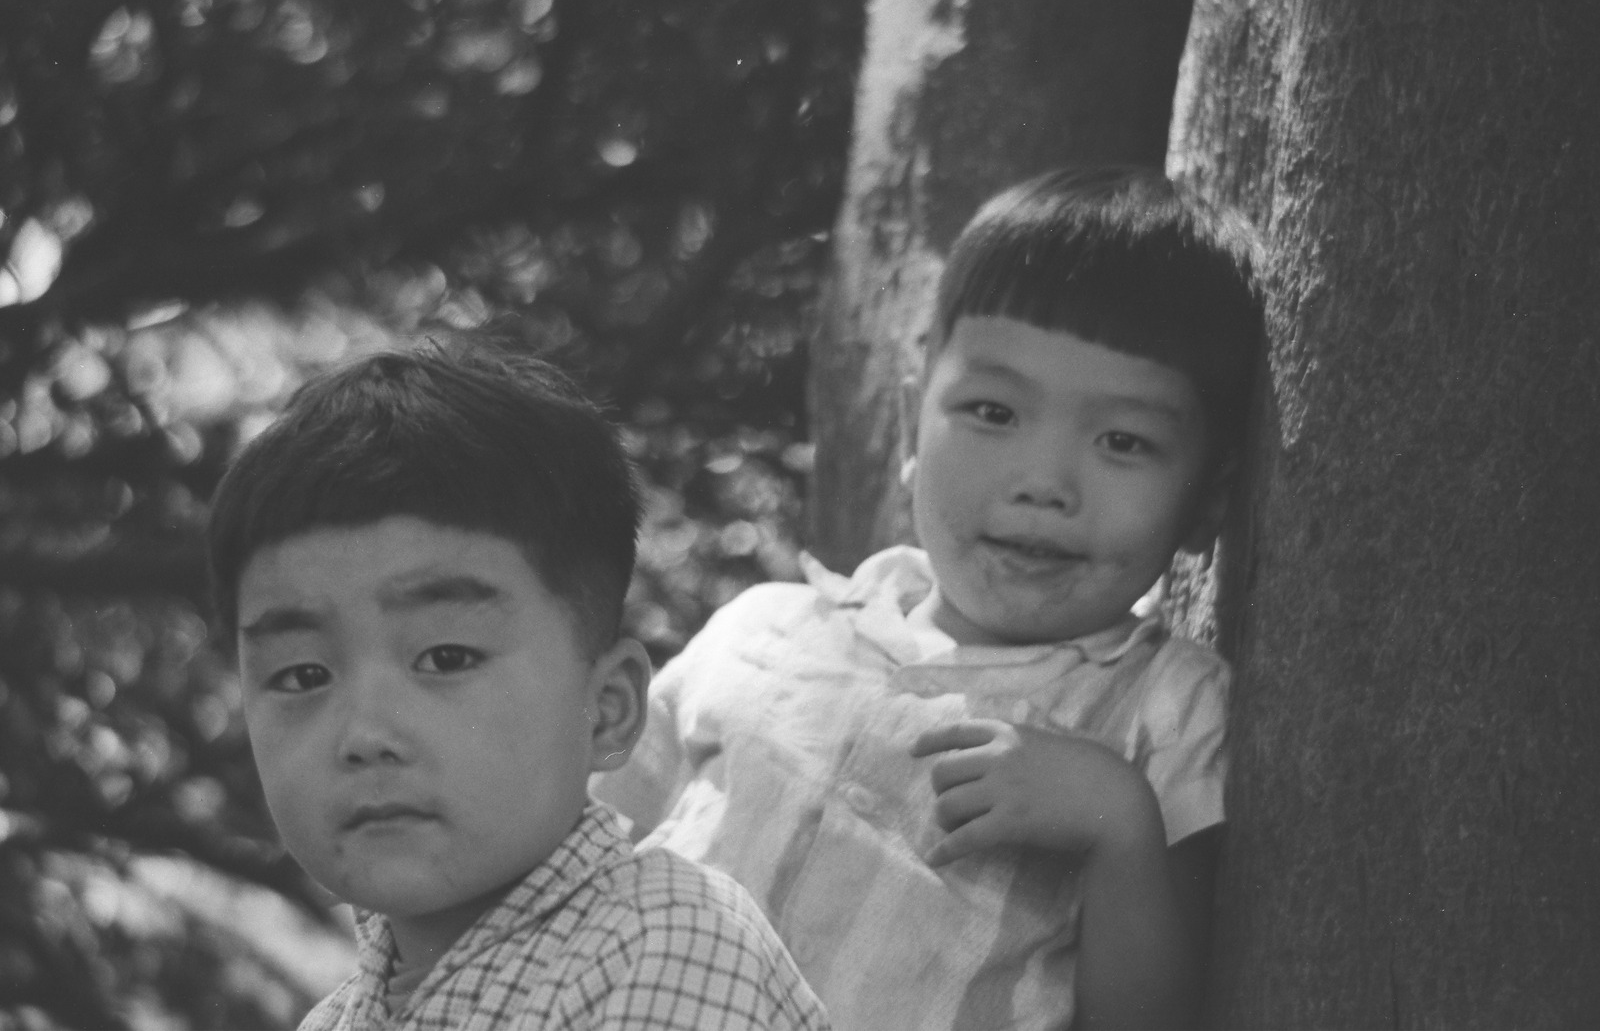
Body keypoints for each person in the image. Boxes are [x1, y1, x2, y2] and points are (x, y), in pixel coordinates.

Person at [593, 165, 1263, 1030]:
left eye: (1123, 441)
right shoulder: (764, 634)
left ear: (1209, 500)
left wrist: (1120, 824)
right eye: (994, 412)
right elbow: (576, 854)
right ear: (913, 427)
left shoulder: (1162, 708)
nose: (1043, 481)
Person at [206, 341, 831, 1031]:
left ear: (608, 709)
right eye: (303, 675)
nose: (366, 735)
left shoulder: (664, 946)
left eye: (445, 657)